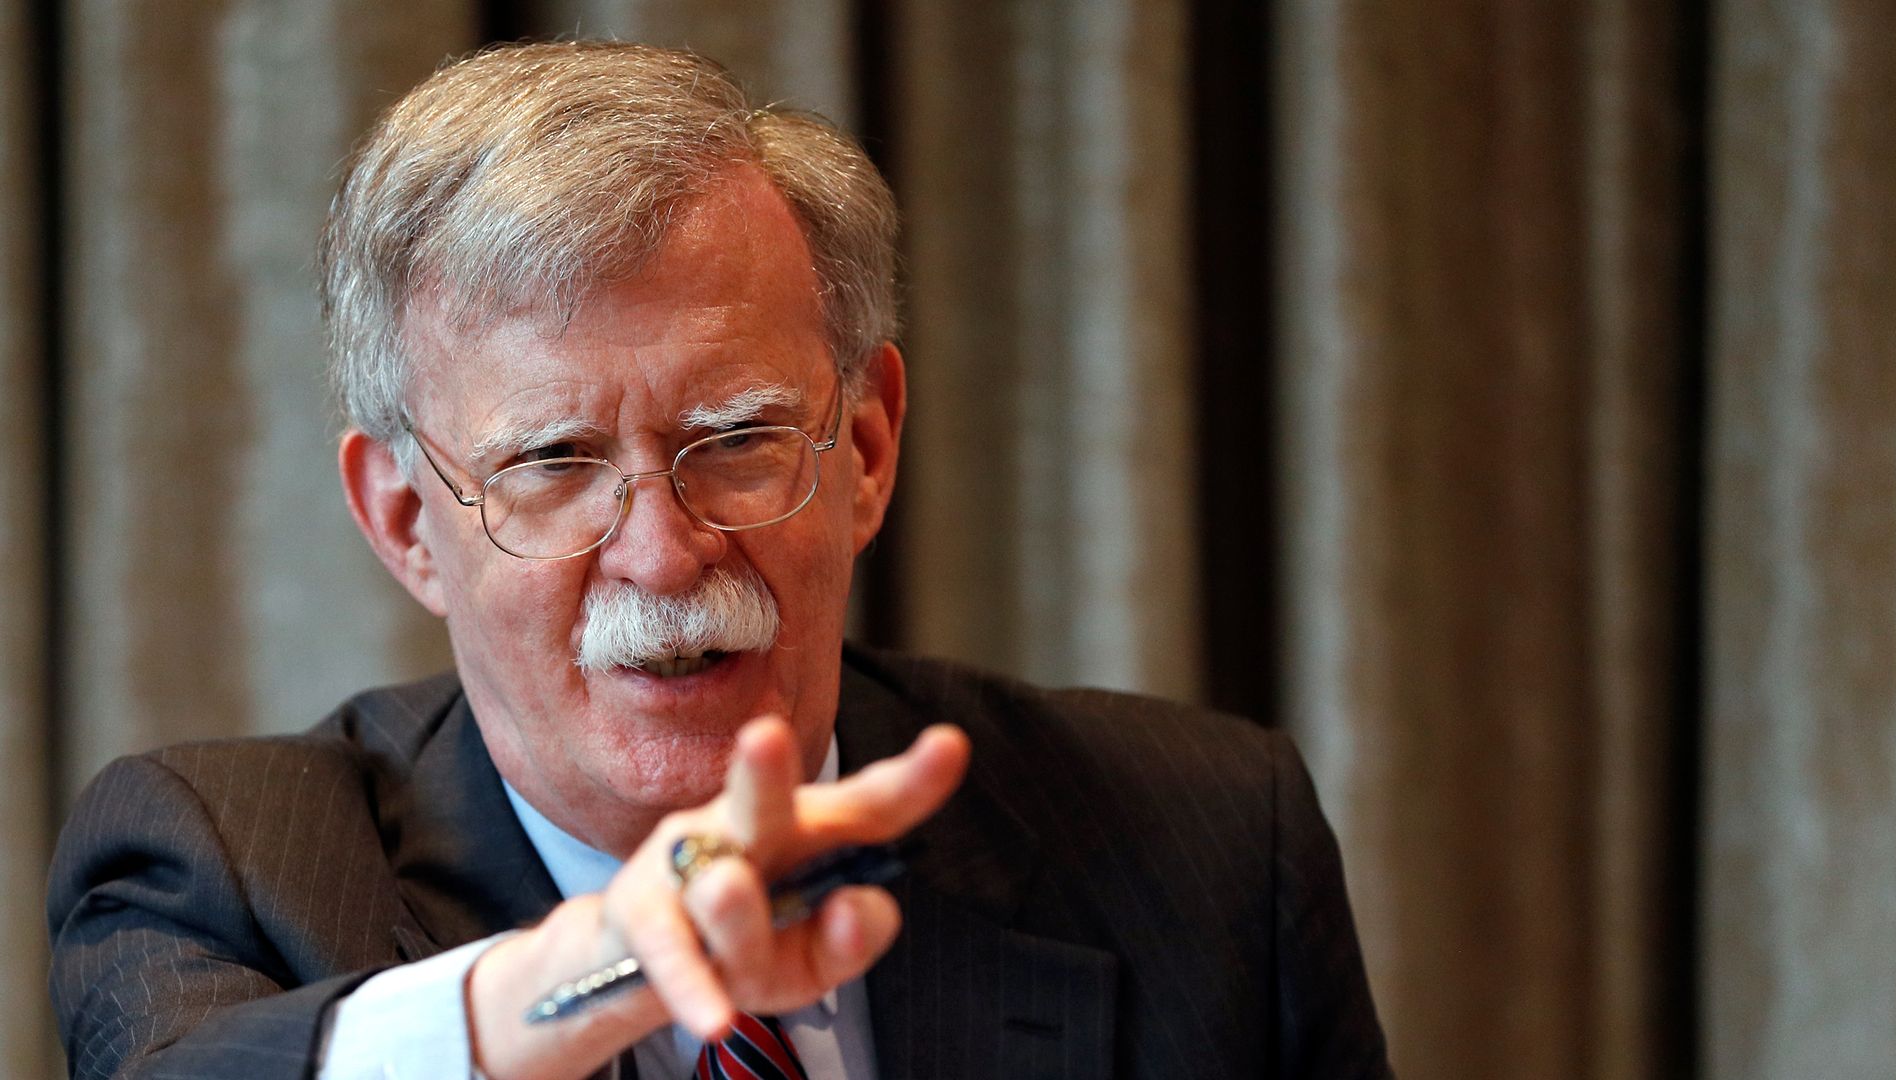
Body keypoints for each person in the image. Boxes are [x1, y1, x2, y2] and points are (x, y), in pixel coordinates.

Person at [46, 40, 1391, 1080]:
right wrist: (588, 976)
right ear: (406, 522)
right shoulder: (223, 867)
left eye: (737, 439)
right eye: (553, 462)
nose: (663, 553)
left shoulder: (1204, 843)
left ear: (868, 449)